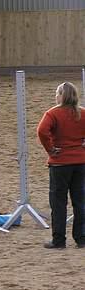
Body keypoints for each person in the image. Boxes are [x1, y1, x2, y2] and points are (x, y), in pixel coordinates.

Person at [37, 82, 85, 249]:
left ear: (61, 96)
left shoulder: (52, 113)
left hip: (60, 163)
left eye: (57, 93)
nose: (55, 96)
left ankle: (59, 240)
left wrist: (50, 149)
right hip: (81, 162)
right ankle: (81, 238)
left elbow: (42, 131)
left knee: (58, 202)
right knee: (80, 201)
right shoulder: (82, 113)